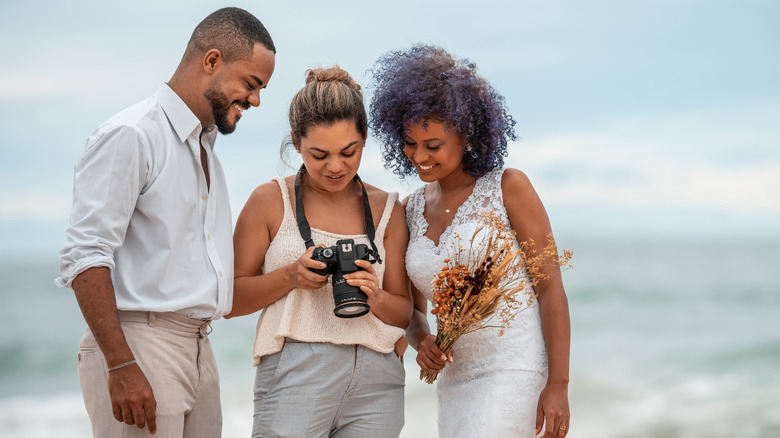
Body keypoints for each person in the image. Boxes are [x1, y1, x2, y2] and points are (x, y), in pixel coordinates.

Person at [55, 8, 275, 437]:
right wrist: (121, 364)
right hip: (141, 346)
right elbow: (85, 255)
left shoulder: (205, 149)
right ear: (211, 61)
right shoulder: (133, 135)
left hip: (198, 348)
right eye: (251, 84)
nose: (256, 100)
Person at [369, 44, 572, 438]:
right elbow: (414, 309)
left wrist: (559, 385)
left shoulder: (508, 188)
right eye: (410, 143)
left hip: (515, 370)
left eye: (433, 146)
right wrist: (420, 340)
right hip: (454, 381)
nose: (419, 156)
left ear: (467, 134)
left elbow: (551, 290)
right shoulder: (409, 209)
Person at [228, 66, 411, 437]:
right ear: (296, 142)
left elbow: (404, 313)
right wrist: (290, 276)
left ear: (364, 138)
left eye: (349, 152)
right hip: (296, 370)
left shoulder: (389, 209)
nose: (335, 167)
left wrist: (375, 295)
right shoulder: (269, 200)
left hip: (378, 378)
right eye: (319, 154)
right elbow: (229, 301)